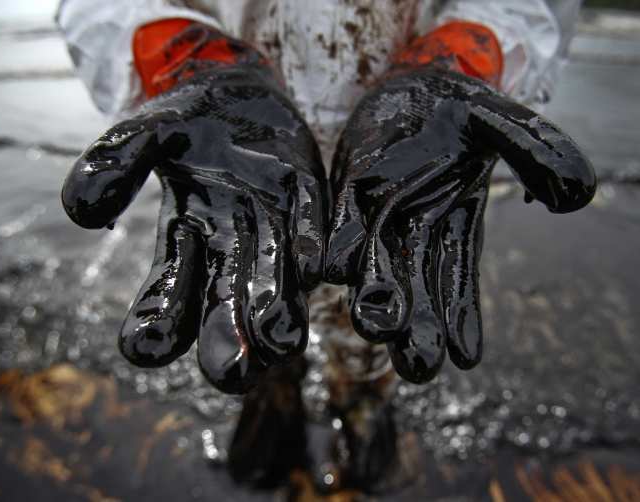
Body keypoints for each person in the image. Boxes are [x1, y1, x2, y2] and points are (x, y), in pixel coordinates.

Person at [57, 0, 596, 395]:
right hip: (229, 132)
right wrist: (193, 61)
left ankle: (358, 407)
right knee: (254, 311)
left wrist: (453, 61)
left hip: (410, 141)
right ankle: (276, 400)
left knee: (378, 313)